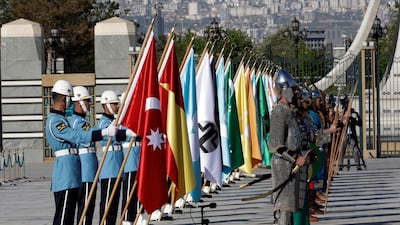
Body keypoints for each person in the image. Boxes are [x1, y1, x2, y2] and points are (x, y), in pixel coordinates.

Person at [46, 80, 116, 225]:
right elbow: (76, 136)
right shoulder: (54, 121)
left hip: (72, 175)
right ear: (64, 99)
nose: (71, 104)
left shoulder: (62, 119)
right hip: (65, 176)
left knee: (70, 217)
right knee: (64, 218)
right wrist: (102, 132)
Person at [269, 69, 306, 225]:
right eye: (293, 89)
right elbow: (275, 145)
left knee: (293, 207)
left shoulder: (290, 111)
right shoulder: (279, 112)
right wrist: (295, 158)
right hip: (284, 165)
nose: (296, 93)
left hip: (292, 164)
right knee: (285, 207)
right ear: (284, 90)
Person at [69, 86, 98, 225]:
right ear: (78, 101)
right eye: (86, 100)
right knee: (85, 207)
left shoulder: (84, 121)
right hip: (84, 171)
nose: (89, 103)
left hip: (90, 170)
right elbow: (91, 133)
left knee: (90, 206)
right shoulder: (76, 122)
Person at [98, 90, 125, 225]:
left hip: (117, 166)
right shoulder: (104, 123)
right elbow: (114, 135)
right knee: (108, 203)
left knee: (114, 204)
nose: (117, 106)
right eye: (114, 104)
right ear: (107, 105)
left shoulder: (114, 121)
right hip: (109, 168)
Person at [119, 92, 142, 225]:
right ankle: (127, 217)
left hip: (138, 156)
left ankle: (138, 214)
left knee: (138, 188)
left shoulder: (136, 118)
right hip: (129, 158)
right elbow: (119, 134)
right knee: (128, 190)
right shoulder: (122, 120)